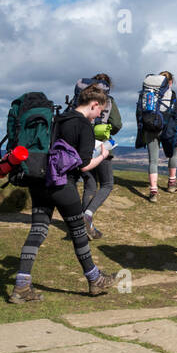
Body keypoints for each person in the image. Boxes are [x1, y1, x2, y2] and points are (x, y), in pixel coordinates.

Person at [10, 84, 118, 303]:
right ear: (94, 104)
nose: (99, 116)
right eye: (100, 111)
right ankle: (95, 280)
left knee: (38, 231)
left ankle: (21, 287)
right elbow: (85, 165)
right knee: (79, 233)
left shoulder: (57, 118)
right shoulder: (83, 126)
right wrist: (103, 154)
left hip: (40, 182)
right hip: (62, 185)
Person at [76, 72, 122, 239]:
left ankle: (83, 227)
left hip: (81, 144)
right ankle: (88, 214)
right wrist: (106, 130)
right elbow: (117, 123)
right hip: (102, 144)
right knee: (107, 184)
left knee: (89, 184)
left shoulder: (82, 97)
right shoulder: (109, 100)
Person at [135, 71, 177, 202]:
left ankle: (153, 192)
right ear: (170, 82)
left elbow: (139, 112)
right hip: (168, 128)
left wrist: (141, 130)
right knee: (173, 154)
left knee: (153, 161)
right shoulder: (171, 94)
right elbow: (175, 114)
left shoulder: (146, 94)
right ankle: (172, 184)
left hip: (150, 128)